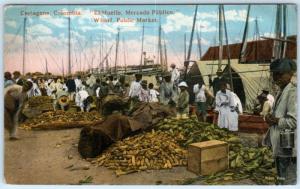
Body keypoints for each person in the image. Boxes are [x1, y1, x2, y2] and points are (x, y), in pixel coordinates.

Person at [262, 58, 297, 185]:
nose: (276, 77)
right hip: (282, 142)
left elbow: (294, 122)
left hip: (289, 143)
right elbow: (280, 114)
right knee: (281, 175)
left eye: (280, 74)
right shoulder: (282, 90)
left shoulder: (293, 92)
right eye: (274, 74)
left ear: (290, 74)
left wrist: (276, 120)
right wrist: (271, 118)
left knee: (288, 177)